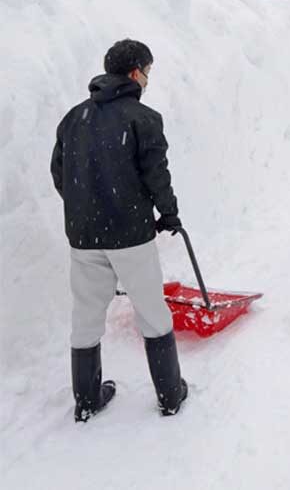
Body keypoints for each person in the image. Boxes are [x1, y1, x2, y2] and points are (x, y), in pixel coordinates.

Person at [50, 39, 188, 422]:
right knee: (151, 311)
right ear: (134, 73)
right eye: (147, 71)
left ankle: (88, 398)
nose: (148, 79)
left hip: (83, 236)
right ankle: (170, 393)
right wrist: (169, 213)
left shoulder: (74, 118)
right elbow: (156, 175)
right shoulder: (143, 118)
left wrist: (85, 207)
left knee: (87, 313)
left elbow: (59, 174)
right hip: (130, 236)